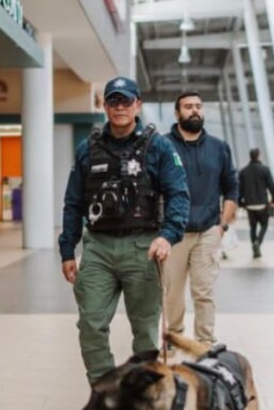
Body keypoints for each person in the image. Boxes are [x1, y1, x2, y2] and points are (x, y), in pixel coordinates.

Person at [59, 76, 189, 383]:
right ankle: (106, 390)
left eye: (126, 101)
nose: (120, 107)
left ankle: (143, 396)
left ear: (137, 105)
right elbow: (73, 202)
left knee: (145, 331)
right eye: (113, 101)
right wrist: (67, 249)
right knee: (90, 323)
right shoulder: (87, 149)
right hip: (98, 248)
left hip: (142, 248)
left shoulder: (158, 146)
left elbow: (179, 195)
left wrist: (167, 235)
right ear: (104, 105)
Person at [163, 91, 237, 343]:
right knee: (172, 292)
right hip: (173, 232)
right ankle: (173, 337)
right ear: (177, 113)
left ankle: (205, 341)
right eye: (188, 107)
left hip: (208, 230)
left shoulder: (219, 148)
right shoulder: (162, 145)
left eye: (198, 106)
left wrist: (222, 226)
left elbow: (231, 188)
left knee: (204, 291)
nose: (194, 110)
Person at [238, 148, 274, 259]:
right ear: (259, 156)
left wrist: (240, 202)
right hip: (262, 204)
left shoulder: (243, 171)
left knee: (253, 227)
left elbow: (239, 188)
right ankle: (258, 243)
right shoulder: (265, 169)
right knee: (264, 226)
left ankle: (254, 244)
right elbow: (272, 186)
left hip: (249, 205)